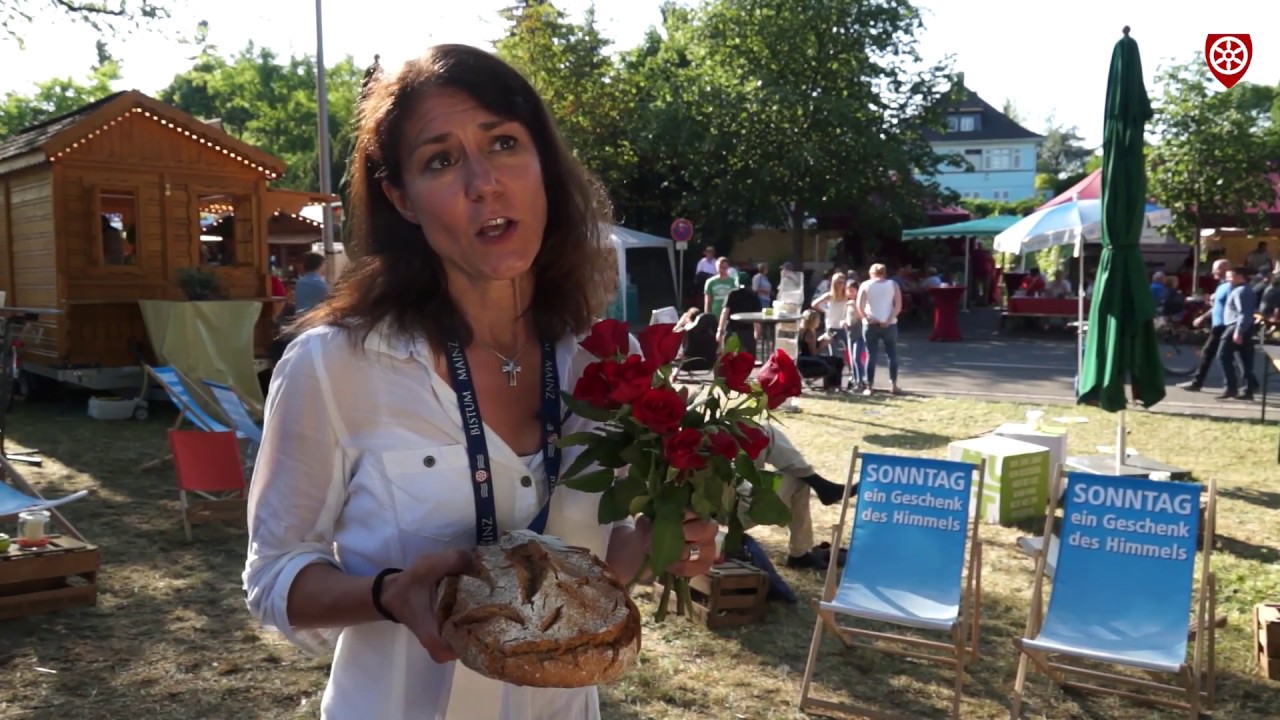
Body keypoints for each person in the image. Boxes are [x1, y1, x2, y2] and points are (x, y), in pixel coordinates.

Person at [242, 45, 718, 720]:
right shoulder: (334, 365)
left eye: (503, 143)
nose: (483, 182)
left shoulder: (603, 363)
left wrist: (660, 546)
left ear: (543, 165)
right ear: (401, 199)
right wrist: (389, 594)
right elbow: (273, 578)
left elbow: (585, 567)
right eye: (441, 159)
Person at [1179, 259, 1233, 393]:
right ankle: (1249, 384)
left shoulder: (1230, 286)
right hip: (1219, 324)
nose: (1213, 272)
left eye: (1217, 269)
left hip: (1224, 325)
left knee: (1210, 353)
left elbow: (1229, 307)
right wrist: (1203, 316)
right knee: (1234, 356)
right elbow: (1217, 307)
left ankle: (1198, 383)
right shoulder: (1221, 285)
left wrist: (1203, 317)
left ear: (1226, 270)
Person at [856, 263, 903, 396]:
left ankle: (869, 386)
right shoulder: (893, 284)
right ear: (884, 272)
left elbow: (859, 305)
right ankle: (893, 384)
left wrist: (867, 318)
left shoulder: (865, 285)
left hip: (871, 323)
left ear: (871, 273)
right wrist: (889, 319)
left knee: (871, 355)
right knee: (892, 354)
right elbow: (898, 305)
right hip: (890, 323)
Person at [1218, 267, 1259, 401]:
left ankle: (1231, 387)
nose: (1228, 279)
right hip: (1242, 327)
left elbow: (1244, 313)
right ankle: (1248, 390)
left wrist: (1238, 331)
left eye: (1231, 276)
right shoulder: (1243, 290)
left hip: (1235, 327)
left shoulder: (1241, 291)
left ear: (1240, 276)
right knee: (1244, 359)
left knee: (1223, 355)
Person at [796, 309, 844, 391]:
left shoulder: (803, 330)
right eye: (818, 319)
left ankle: (832, 386)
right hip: (808, 361)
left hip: (803, 359)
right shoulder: (809, 333)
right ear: (813, 321)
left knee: (837, 360)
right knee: (837, 361)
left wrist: (820, 340)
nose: (819, 321)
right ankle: (832, 386)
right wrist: (823, 345)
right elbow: (814, 353)